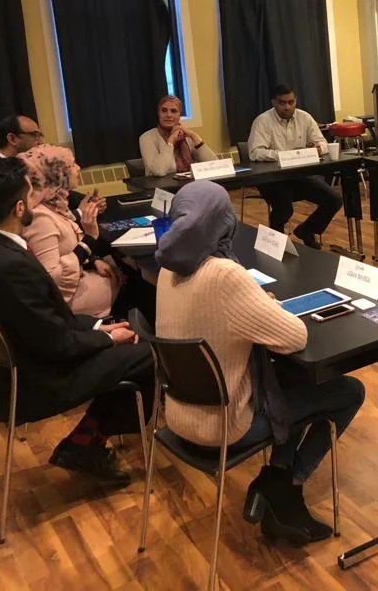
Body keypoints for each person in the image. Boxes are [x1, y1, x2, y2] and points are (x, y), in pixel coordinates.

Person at [154, 181, 365, 543]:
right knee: (348, 391)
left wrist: (253, 307)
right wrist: (264, 306)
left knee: (286, 386)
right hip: (224, 425)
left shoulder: (167, 269)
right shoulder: (225, 275)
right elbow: (294, 337)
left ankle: (278, 479)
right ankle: (287, 482)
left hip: (178, 416)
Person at [0, 158, 154, 484]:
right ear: (19, 208)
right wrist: (108, 338)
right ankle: (86, 444)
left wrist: (97, 327)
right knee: (146, 352)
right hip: (39, 378)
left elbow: (45, 321)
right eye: (32, 194)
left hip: (17, 367)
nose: (38, 198)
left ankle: (87, 440)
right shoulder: (10, 266)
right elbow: (56, 343)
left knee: (127, 340)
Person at [20, 146, 122, 318]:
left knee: (123, 268)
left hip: (77, 282)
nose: (78, 168)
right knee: (131, 279)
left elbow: (66, 250)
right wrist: (89, 238)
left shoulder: (54, 205)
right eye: (73, 165)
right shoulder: (40, 218)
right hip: (64, 305)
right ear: (58, 175)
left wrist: (93, 261)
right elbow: (52, 279)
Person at [247, 85, 342, 247]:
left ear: (295, 101)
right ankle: (275, 245)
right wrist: (285, 155)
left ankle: (306, 230)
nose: (287, 107)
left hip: (299, 176)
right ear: (273, 103)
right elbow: (255, 153)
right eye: (282, 103)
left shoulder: (304, 118)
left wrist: (318, 148)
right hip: (272, 179)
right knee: (284, 208)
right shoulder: (262, 121)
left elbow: (323, 143)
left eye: (291, 102)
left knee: (334, 200)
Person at [139, 95, 216, 176]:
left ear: (180, 115)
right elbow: (158, 171)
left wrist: (194, 136)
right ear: (158, 114)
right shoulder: (147, 138)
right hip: (160, 184)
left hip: (189, 182)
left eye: (173, 111)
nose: (168, 115)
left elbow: (214, 164)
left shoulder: (185, 136)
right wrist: (171, 141)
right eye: (164, 110)